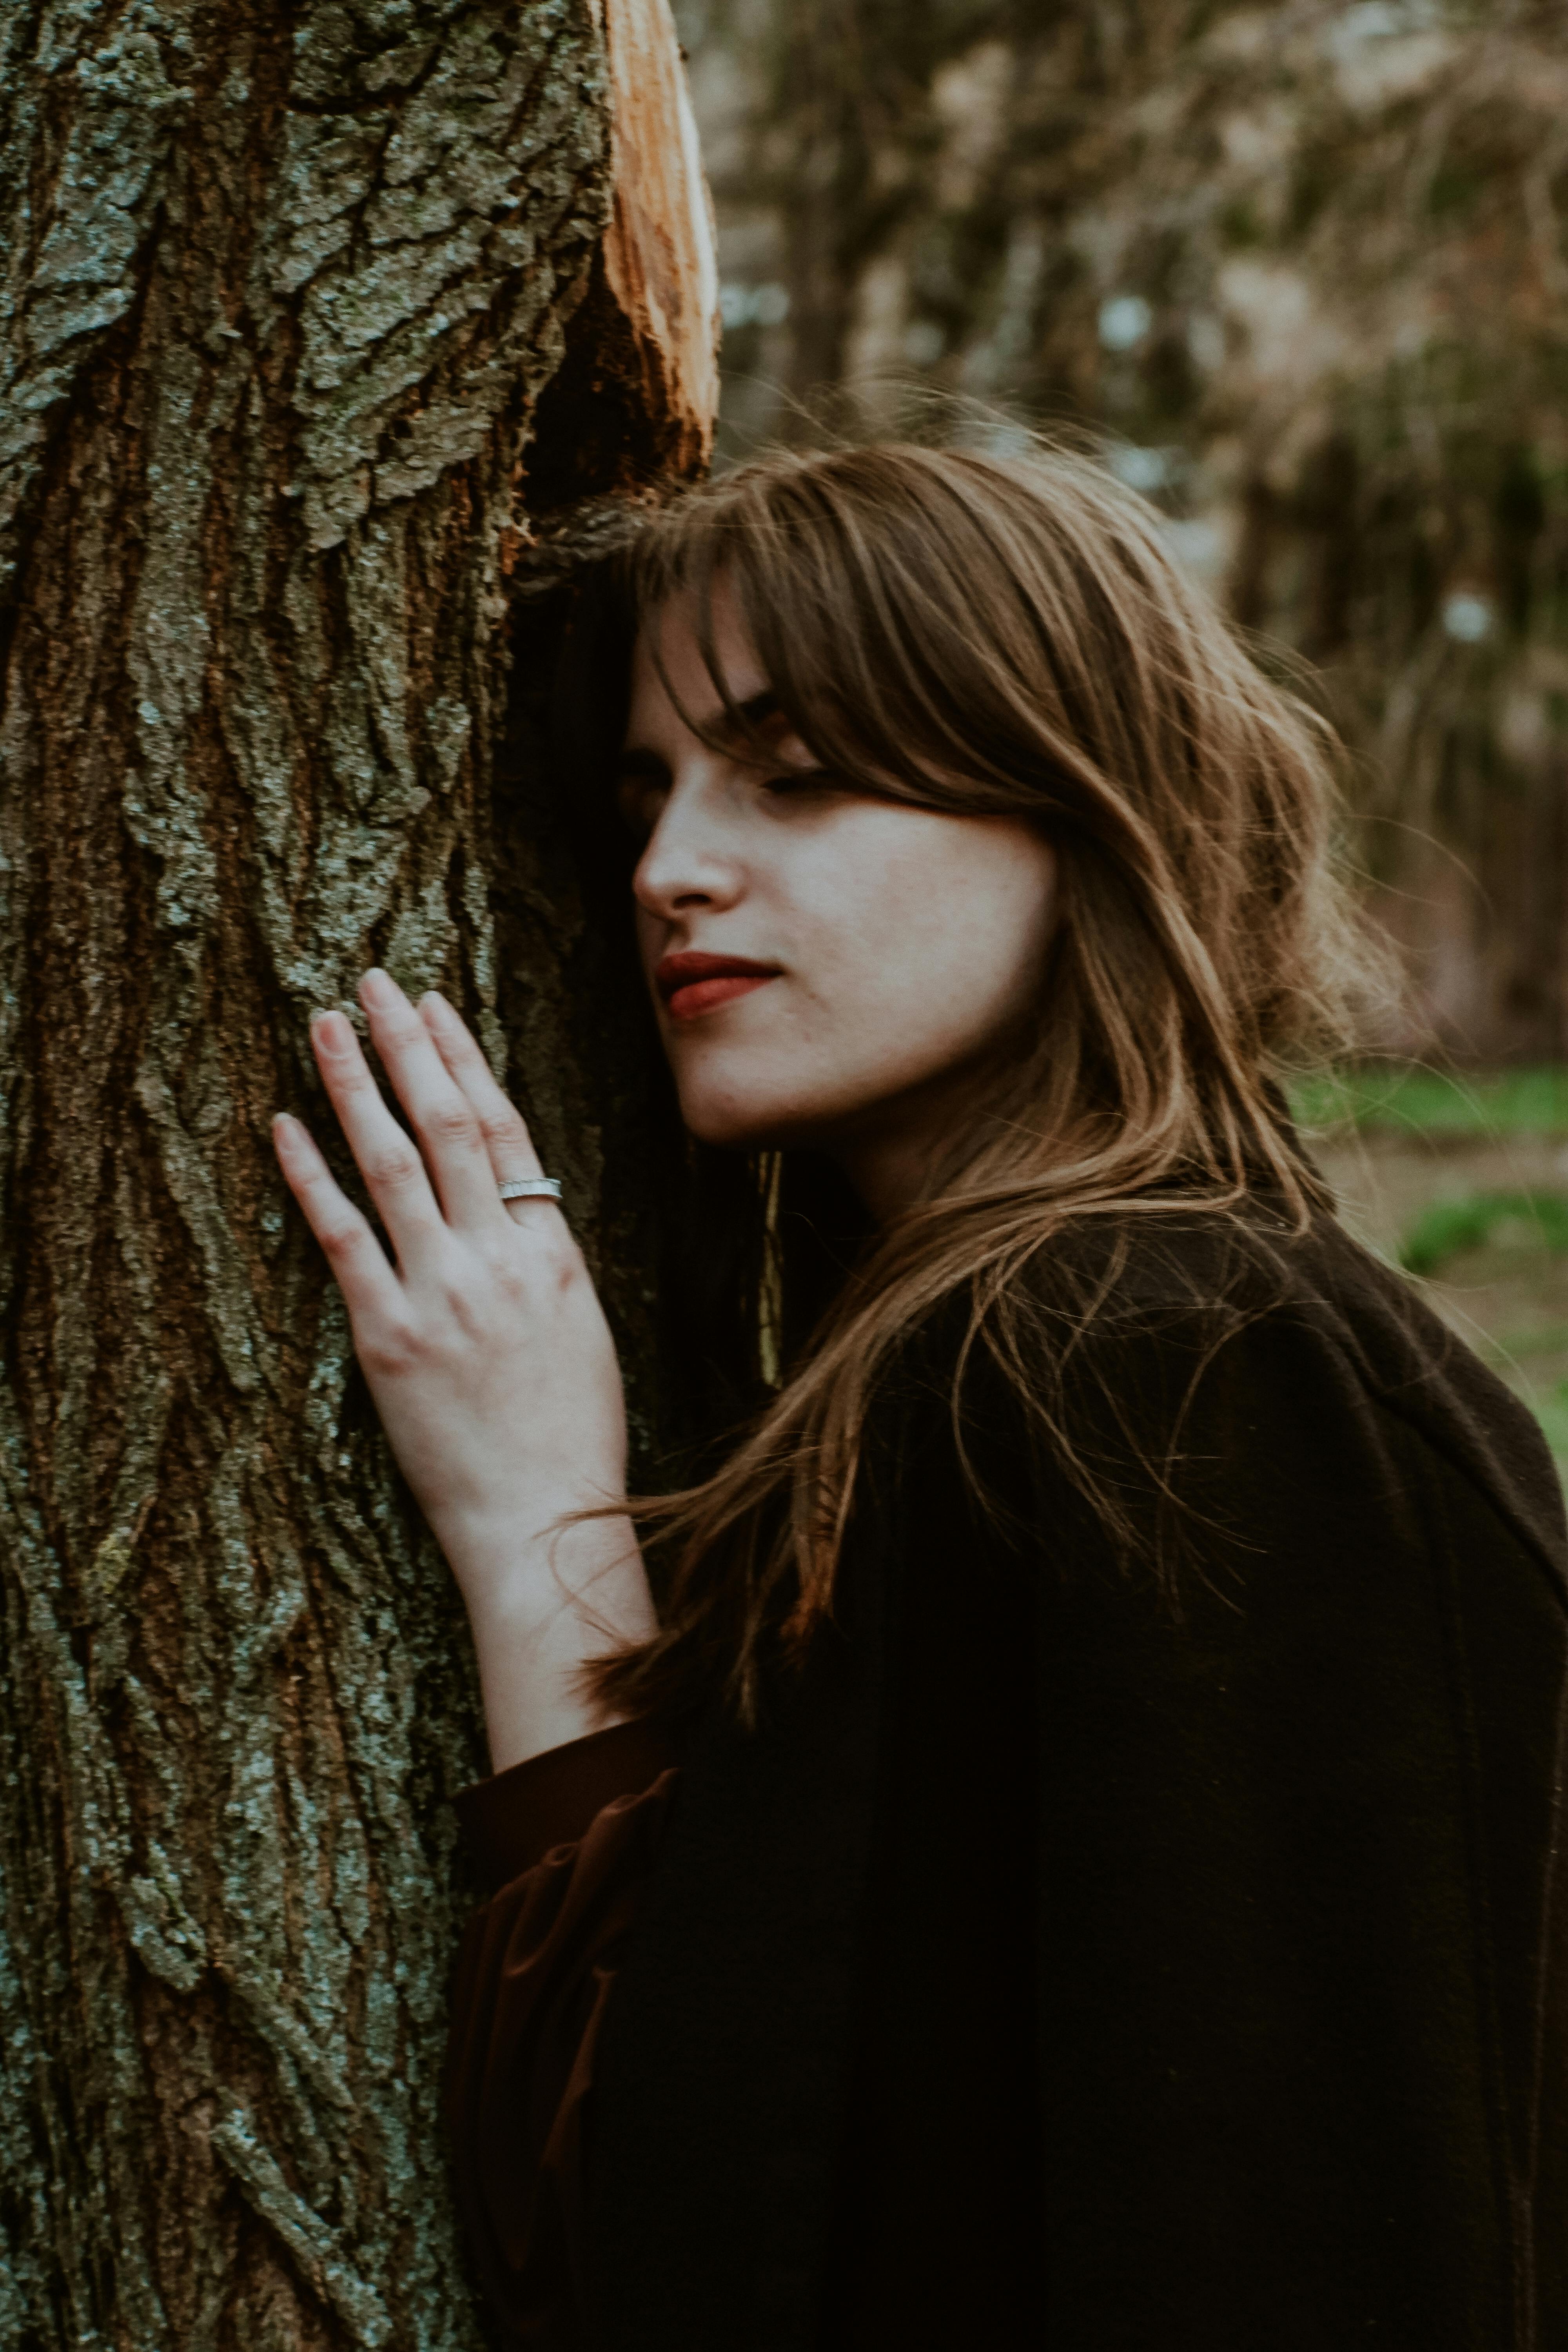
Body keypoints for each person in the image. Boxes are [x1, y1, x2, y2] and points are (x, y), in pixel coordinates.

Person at [272, 441, 1568, 2350]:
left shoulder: (1184, 1373)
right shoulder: (1030, 1359)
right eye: (649, 792)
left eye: (793, 776)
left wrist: (530, 1515)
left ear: (1082, 809)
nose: (669, 871)